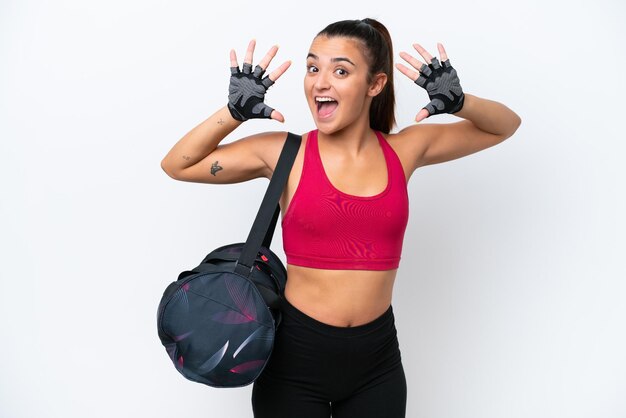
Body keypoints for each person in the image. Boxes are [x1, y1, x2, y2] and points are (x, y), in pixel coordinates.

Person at [161, 17, 521, 418]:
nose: (320, 82)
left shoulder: (404, 151)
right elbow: (178, 164)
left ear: (375, 85)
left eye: (340, 71)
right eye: (313, 68)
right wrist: (232, 112)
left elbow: (504, 127)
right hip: (294, 362)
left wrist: (459, 101)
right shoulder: (285, 153)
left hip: (377, 363)